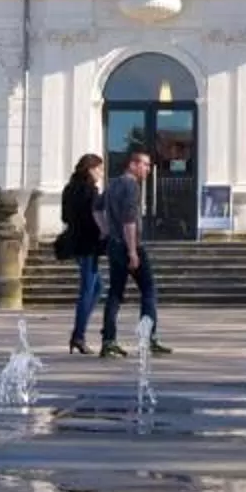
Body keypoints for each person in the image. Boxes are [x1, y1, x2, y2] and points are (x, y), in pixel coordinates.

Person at [98, 148, 172, 357]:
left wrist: (106, 231)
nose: (148, 169)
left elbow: (96, 208)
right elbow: (129, 220)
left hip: (114, 244)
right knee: (149, 289)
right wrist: (132, 251)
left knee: (115, 293)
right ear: (133, 165)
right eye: (145, 165)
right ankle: (148, 337)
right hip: (129, 245)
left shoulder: (113, 185)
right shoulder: (131, 186)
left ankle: (108, 340)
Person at [56, 153, 108, 354]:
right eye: (99, 169)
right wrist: (103, 233)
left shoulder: (69, 189)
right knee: (88, 289)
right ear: (90, 169)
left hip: (76, 242)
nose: (101, 173)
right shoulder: (90, 191)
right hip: (88, 244)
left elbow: (65, 216)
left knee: (96, 287)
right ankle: (78, 336)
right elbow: (94, 219)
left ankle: (79, 333)